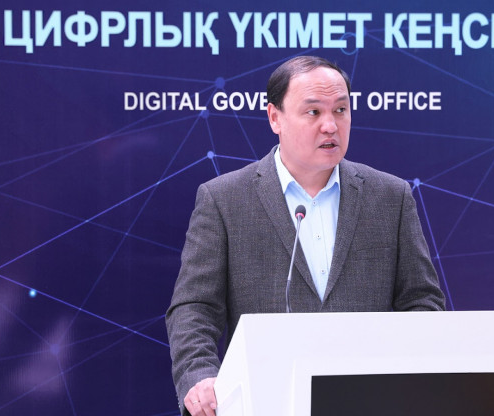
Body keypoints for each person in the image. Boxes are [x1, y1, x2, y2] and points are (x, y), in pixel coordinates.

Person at [165, 56, 446, 416]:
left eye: (341, 110)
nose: (330, 125)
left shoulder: (390, 197)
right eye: (313, 112)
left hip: (370, 400)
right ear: (275, 118)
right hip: (266, 401)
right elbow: (195, 307)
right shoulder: (224, 199)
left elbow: (422, 302)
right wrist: (200, 375)